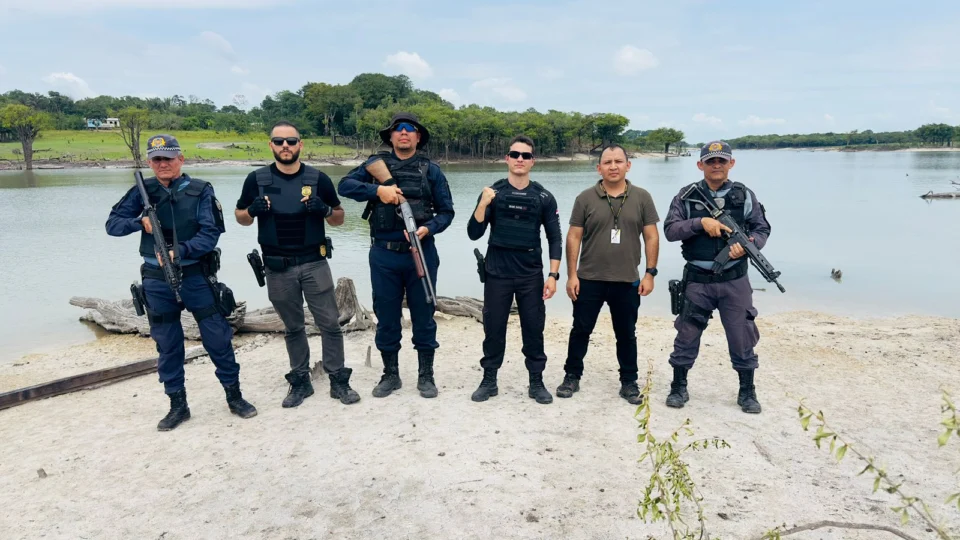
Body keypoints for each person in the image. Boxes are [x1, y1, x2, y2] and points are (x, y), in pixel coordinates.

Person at [105, 134, 257, 431]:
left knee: (217, 337)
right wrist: (140, 222)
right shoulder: (142, 191)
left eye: (168, 158)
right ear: (150, 162)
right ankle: (178, 406)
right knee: (167, 344)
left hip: (195, 275)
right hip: (155, 280)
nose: (163, 164)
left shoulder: (200, 190)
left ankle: (234, 397)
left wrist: (180, 251)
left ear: (181, 160)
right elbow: (112, 225)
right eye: (156, 159)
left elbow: (210, 233)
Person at [234, 121, 360, 408]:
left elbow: (339, 217)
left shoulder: (319, 179)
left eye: (291, 141)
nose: (285, 146)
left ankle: (338, 380)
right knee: (292, 327)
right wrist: (251, 211)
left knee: (330, 323)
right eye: (279, 142)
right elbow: (241, 216)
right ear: (271, 146)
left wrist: (325, 209)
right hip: (277, 267)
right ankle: (300, 381)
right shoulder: (257, 179)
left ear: (300, 144)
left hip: (314, 262)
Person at [337, 112, 455, 398]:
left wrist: (428, 228)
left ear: (418, 137)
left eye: (410, 129)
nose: (404, 133)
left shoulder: (431, 170)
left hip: (422, 252)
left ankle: (426, 375)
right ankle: (390, 375)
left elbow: (447, 212)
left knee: (425, 316)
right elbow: (344, 187)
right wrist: (379, 190)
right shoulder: (373, 166)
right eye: (398, 129)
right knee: (387, 317)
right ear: (390, 136)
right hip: (384, 255)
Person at [662, 141, 770, 414]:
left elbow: (762, 228)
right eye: (710, 161)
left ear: (731, 163)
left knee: (742, 334)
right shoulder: (686, 196)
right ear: (701, 165)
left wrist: (749, 243)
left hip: (735, 279)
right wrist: (700, 223)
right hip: (698, 280)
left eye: (722, 160)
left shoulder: (744, 195)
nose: (716, 165)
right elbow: (671, 230)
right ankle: (678, 386)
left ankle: (747, 391)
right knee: (686, 333)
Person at [558, 145, 660, 404]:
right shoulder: (585, 198)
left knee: (626, 333)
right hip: (589, 278)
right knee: (580, 330)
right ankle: (572, 376)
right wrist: (572, 275)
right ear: (598, 168)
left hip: (627, 279)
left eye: (618, 161)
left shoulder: (642, 197)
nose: (613, 166)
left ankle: (628, 382)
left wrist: (650, 273)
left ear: (628, 165)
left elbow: (651, 236)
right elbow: (574, 237)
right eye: (607, 162)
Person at [467, 135, 563, 404]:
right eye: (515, 154)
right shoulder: (492, 193)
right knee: (494, 329)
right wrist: (483, 204)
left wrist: (553, 276)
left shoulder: (543, 197)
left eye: (526, 156)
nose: (520, 159)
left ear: (533, 161)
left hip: (530, 274)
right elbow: (474, 233)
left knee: (533, 329)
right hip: (497, 273)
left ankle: (536, 381)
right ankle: (489, 380)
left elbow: (555, 238)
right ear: (507, 158)